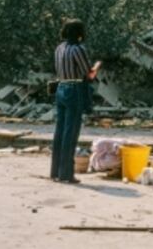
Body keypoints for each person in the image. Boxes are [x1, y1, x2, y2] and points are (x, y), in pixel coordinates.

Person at [50, 19, 98, 184]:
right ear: (79, 33)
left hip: (61, 88)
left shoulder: (59, 48)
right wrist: (97, 67)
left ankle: (55, 172)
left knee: (60, 131)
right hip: (74, 90)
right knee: (71, 133)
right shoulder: (78, 49)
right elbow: (89, 75)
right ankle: (66, 174)